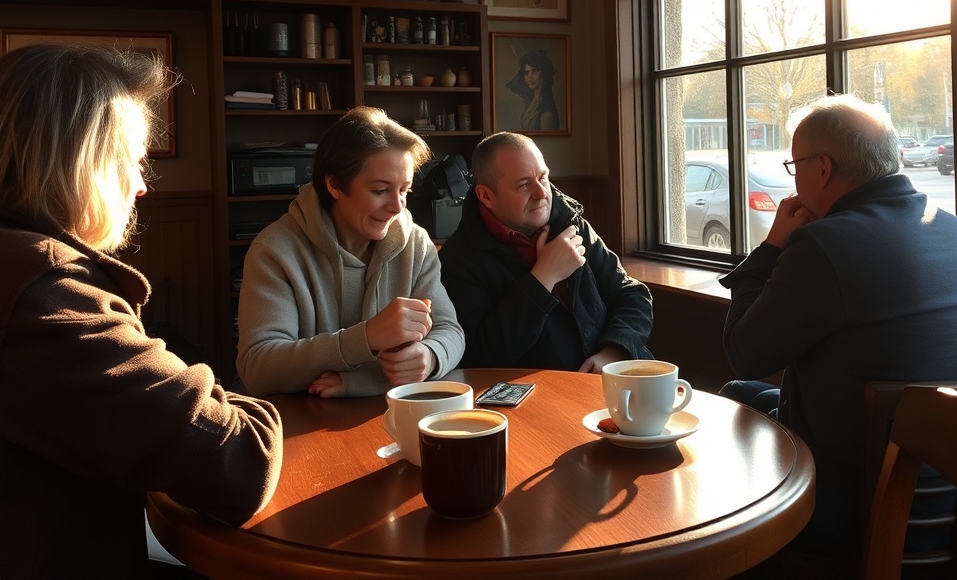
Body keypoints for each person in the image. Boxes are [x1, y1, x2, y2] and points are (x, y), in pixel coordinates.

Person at [0, 44, 283, 576]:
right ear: (81, 164)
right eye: (132, 161)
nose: (142, 184)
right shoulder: (42, 293)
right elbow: (241, 460)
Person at [718, 94, 957, 559]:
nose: (795, 179)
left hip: (865, 512)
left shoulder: (826, 245)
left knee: (734, 398)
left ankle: (742, 554)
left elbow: (743, 351)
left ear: (822, 169)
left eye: (794, 166)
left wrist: (770, 248)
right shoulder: (956, 230)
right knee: (743, 394)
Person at [236, 107, 465, 398]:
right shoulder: (274, 251)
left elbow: (450, 331)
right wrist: (365, 338)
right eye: (381, 190)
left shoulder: (416, 244)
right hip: (303, 430)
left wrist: (429, 357)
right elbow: (258, 368)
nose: (398, 207)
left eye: (404, 190)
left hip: (390, 418)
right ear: (334, 185)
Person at [439, 132, 653, 372]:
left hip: (613, 377)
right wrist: (543, 277)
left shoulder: (571, 223)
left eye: (543, 178)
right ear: (486, 196)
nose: (541, 193)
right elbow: (483, 354)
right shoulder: (458, 259)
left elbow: (631, 294)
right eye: (523, 185)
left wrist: (614, 352)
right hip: (531, 397)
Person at [505, 49, 560, 131]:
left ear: (544, 73)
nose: (530, 77)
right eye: (526, 73)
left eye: (535, 71)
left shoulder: (547, 113)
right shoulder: (531, 100)